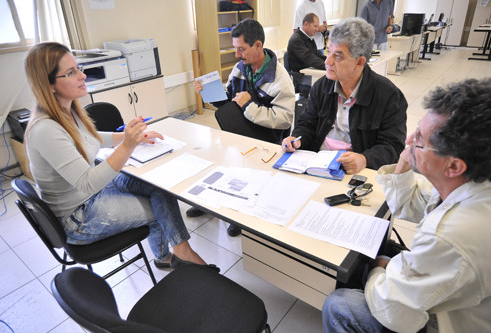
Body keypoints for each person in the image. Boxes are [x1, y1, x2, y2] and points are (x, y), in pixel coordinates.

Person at [322, 77, 491, 332]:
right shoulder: (471, 183)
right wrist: (405, 161)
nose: (409, 139)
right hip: (459, 290)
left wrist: (379, 270)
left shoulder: (451, 235)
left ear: (454, 166)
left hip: (454, 322)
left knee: (340, 304)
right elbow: (410, 206)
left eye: (420, 139)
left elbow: (394, 312)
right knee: (388, 248)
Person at [24, 42, 212, 271]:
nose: (82, 75)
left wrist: (129, 136)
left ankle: (181, 251)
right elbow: (87, 182)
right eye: (71, 72)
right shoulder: (45, 130)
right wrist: (128, 146)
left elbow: (91, 138)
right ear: (49, 85)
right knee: (159, 211)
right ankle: (170, 257)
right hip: (78, 217)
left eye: (78, 67)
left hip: (93, 194)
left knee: (157, 187)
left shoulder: (68, 110)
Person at [190, 18, 295, 236]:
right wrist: (207, 93)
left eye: (241, 49)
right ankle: (210, 204)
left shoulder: (280, 79)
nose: (237, 55)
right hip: (239, 129)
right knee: (216, 158)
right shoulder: (240, 68)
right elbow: (228, 101)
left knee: (245, 172)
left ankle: (239, 215)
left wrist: (249, 105)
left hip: (265, 139)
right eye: (235, 49)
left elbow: (284, 120)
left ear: (258, 45)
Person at [282, 17, 407, 175]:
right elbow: (307, 124)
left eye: (338, 56)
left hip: (354, 170)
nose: (328, 61)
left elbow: (393, 146)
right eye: (329, 52)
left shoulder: (389, 96)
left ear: (360, 62)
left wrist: (365, 159)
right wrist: (297, 139)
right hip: (316, 164)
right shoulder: (321, 86)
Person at [287, 13, 326, 91]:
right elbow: (310, 59)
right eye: (315, 26)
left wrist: (331, 61)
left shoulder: (309, 37)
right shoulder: (297, 39)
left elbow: (315, 56)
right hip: (300, 77)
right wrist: (329, 66)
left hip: (308, 72)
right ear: (306, 24)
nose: (317, 29)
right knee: (326, 84)